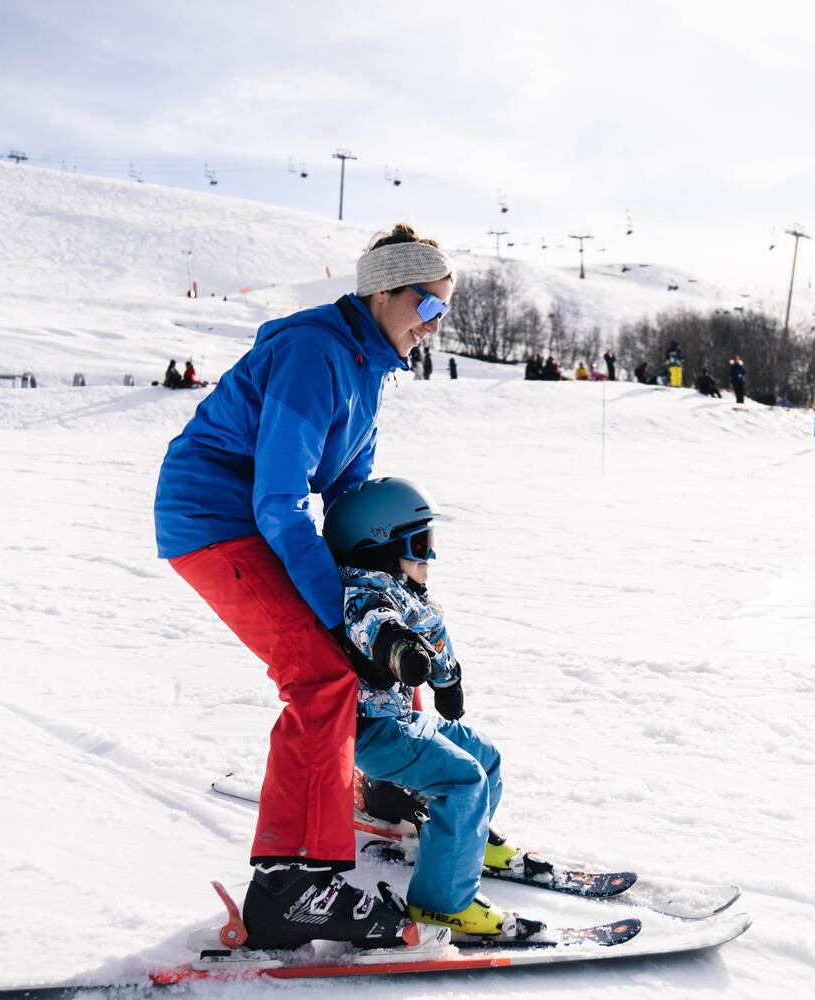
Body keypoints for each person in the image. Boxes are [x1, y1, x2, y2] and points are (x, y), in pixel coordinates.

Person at [154, 223, 454, 951]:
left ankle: (381, 786)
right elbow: (279, 501)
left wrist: (374, 607)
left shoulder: (369, 367)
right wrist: (336, 617)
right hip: (212, 519)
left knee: (380, 630)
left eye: (444, 312)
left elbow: (346, 491)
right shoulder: (312, 353)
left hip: (260, 519)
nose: (434, 326)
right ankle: (289, 887)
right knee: (321, 672)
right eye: (428, 307)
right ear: (383, 293)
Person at [324, 477, 521, 936]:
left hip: (398, 719)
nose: (429, 558)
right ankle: (441, 902)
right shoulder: (366, 592)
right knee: (464, 780)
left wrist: (448, 680)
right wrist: (398, 651)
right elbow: (375, 627)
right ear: (377, 546)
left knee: (485, 755)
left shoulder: (409, 593)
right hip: (371, 729)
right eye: (420, 544)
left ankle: (463, 844)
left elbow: (434, 637)